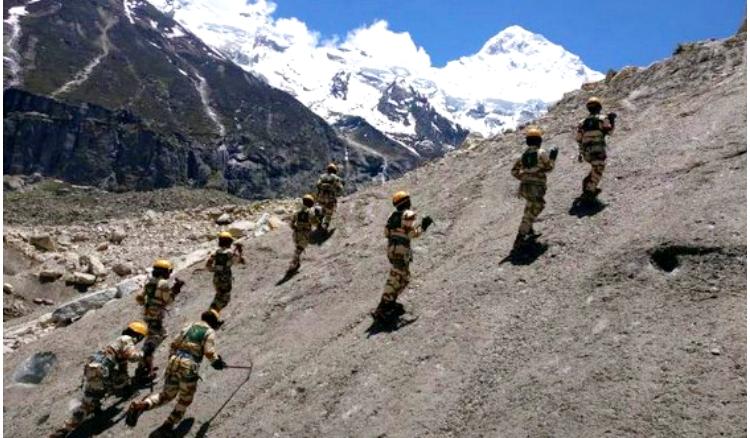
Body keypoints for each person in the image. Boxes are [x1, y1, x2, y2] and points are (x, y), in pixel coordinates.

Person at [125, 310, 226, 434]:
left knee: (166, 395)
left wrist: (172, 361)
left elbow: (173, 344)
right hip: (189, 366)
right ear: (213, 322)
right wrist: (217, 363)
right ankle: (169, 424)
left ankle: (142, 405)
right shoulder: (209, 331)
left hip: (174, 362)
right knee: (185, 399)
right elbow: (209, 352)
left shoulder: (189, 326)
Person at [49, 321, 149, 438]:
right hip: (100, 372)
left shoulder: (117, 342)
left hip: (93, 369)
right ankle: (62, 431)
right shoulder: (127, 339)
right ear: (138, 335)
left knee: (97, 392)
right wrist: (144, 352)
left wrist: (126, 384)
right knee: (88, 404)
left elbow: (123, 368)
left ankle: (95, 406)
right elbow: (132, 357)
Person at [372, 191, 432, 320]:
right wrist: (424, 226)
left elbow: (386, 233)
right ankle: (382, 308)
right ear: (406, 202)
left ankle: (390, 303)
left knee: (403, 278)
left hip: (392, 250)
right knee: (396, 278)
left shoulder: (391, 216)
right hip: (401, 251)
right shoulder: (408, 215)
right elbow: (412, 234)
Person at [133, 259, 184, 383]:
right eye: (169, 271)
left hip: (148, 313)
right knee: (155, 339)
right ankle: (144, 364)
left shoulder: (149, 282)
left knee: (153, 336)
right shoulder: (163, 284)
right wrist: (176, 289)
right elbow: (168, 300)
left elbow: (140, 299)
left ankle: (144, 365)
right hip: (156, 315)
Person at [511, 126, 557, 249]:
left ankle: (529, 229)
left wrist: (525, 177)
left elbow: (514, 171)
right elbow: (549, 168)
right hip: (536, 187)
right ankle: (521, 235)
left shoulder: (523, 155)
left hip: (524, 187)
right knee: (538, 206)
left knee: (529, 205)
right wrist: (553, 157)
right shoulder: (541, 153)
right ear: (539, 141)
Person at [576, 96, 616, 200]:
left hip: (587, 153)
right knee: (599, 169)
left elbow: (578, 139)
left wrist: (580, 153)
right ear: (599, 107)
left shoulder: (582, 122)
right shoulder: (602, 119)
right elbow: (610, 132)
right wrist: (612, 120)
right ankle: (590, 191)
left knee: (595, 167)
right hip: (598, 151)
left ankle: (588, 182)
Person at [205, 231, 245, 324]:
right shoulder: (230, 253)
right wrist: (240, 251)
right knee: (223, 300)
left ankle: (211, 316)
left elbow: (208, 266)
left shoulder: (215, 253)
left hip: (216, 278)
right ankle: (211, 319)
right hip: (225, 279)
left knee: (219, 297)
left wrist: (217, 269)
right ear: (229, 242)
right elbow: (240, 261)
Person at [287, 194, 322, 274]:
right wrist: (319, 226)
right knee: (299, 249)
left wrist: (294, 228)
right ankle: (292, 265)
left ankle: (297, 263)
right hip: (304, 234)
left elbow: (291, 223)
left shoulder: (297, 212)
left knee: (298, 247)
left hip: (296, 233)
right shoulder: (310, 212)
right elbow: (314, 222)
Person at [315, 163, 345, 230]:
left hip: (321, 196)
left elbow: (317, 184)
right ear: (334, 170)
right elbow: (340, 188)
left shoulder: (322, 176)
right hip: (330, 198)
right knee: (329, 212)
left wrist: (323, 187)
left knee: (322, 209)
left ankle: (319, 220)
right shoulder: (336, 178)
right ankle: (325, 225)